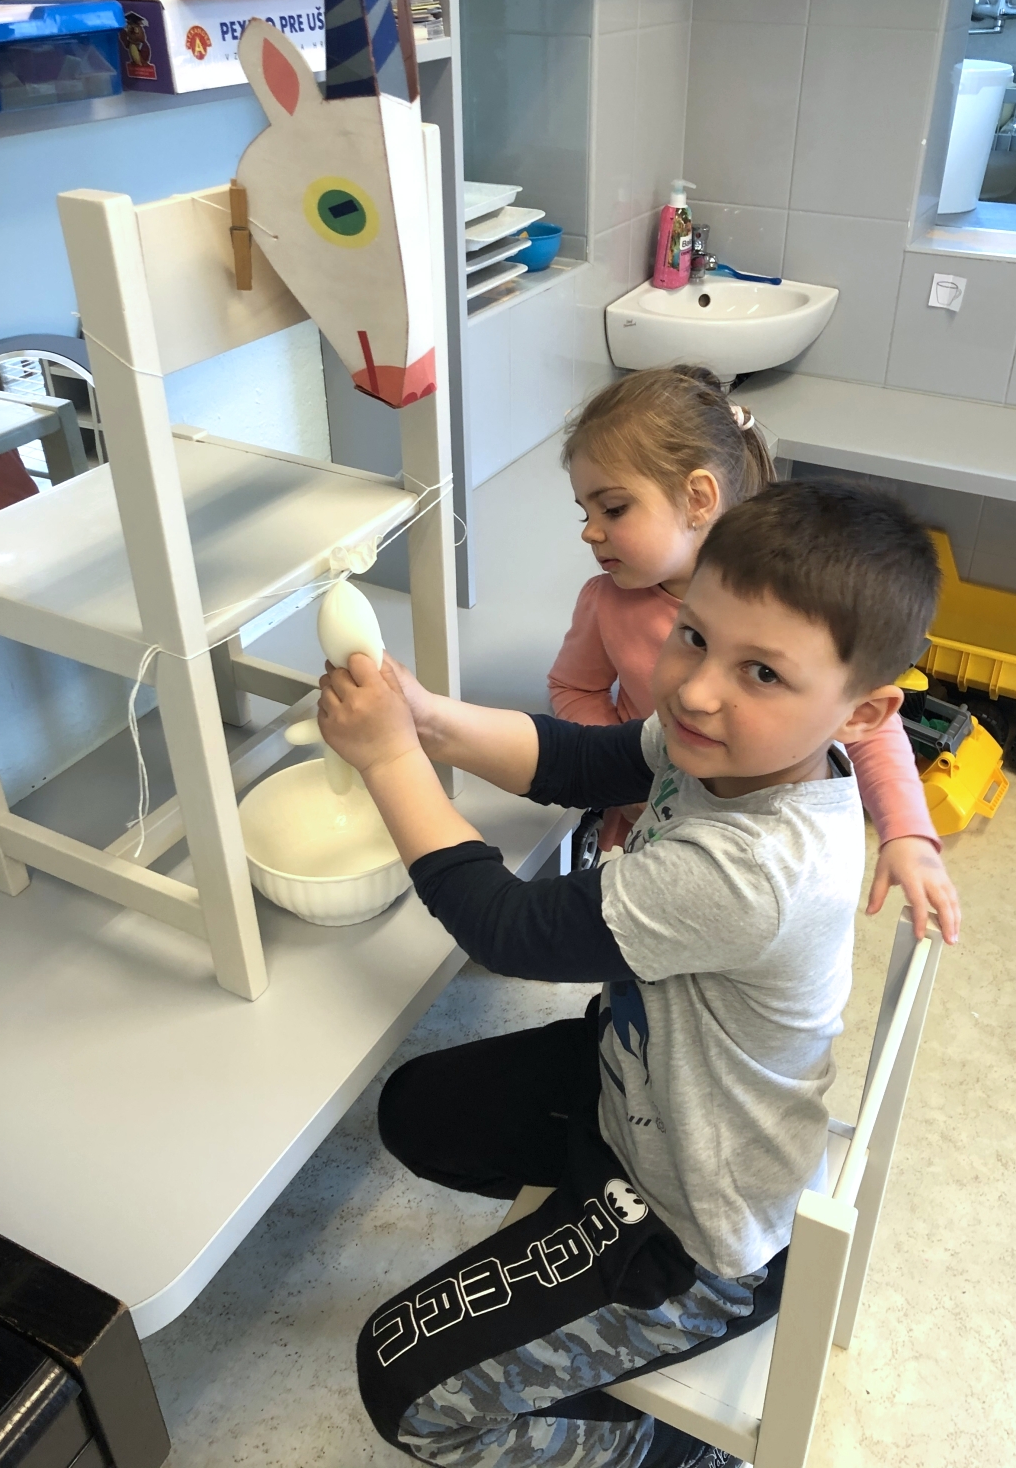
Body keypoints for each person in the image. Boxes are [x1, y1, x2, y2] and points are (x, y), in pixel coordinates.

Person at [317, 480, 943, 1468]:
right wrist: (427, 720)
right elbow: (576, 760)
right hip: (644, 1099)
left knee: (405, 1389)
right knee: (418, 1111)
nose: (696, 690)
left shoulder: (753, 871)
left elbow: (506, 930)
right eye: (693, 637)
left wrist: (391, 763)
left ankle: (677, 1455)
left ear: (861, 714)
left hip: (698, 1230)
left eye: (762, 672)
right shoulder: (729, 752)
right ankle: (572, 1257)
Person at [548, 366, 959, 944]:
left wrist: (906, 831)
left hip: (752, 839)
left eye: (613, 509)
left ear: (697, 499)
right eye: (584, 512)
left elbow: (868, 723)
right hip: (657, 816)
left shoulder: (791, 608)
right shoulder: (604, 602)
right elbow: (575, 688)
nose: (590, 533)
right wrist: (623, 774)